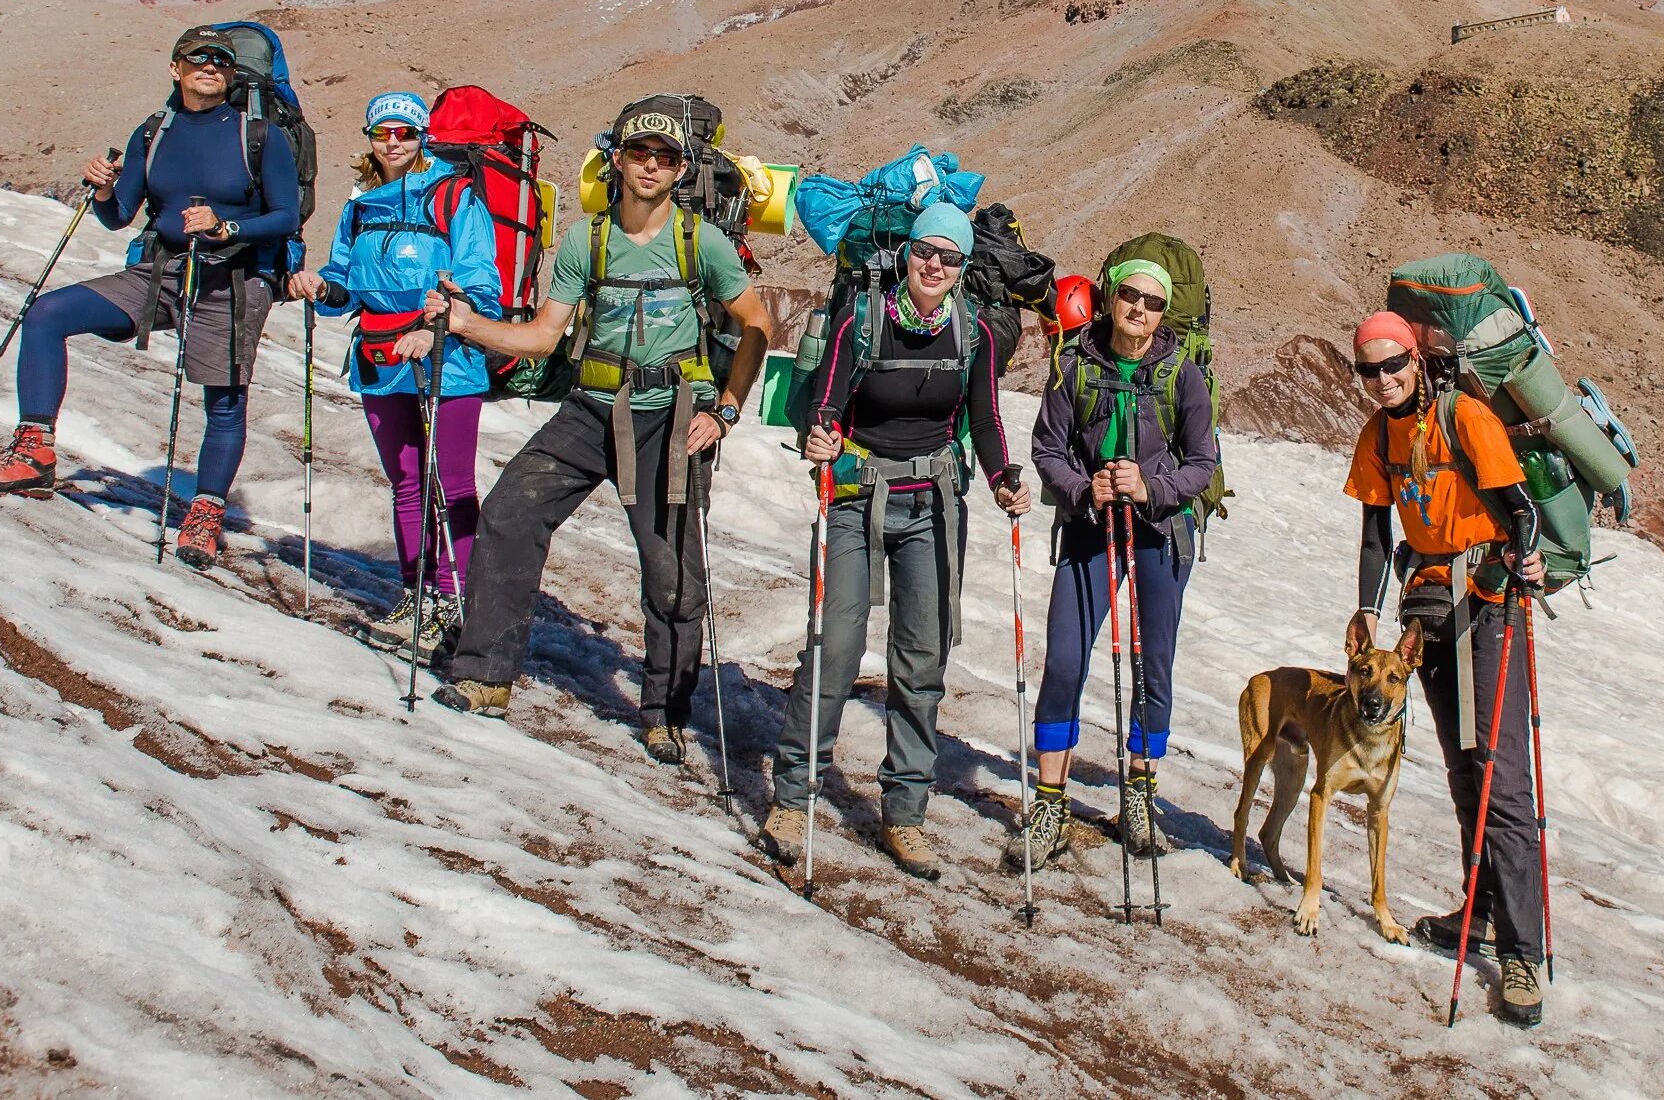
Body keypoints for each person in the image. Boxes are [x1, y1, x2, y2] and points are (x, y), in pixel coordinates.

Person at [423, 100, 772, 763]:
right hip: (591, 409)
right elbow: (542, 336)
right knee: (509, 512)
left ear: (679, 169)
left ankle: (665, 712)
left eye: (665, 157)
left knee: (672, 572)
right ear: (618, 158)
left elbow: (757, 323)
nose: (650, 164)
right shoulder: (589, 240)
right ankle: (483, 675)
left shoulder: (703, 241)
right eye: (640, 152)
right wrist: (467, 324)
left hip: (671, 418)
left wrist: (724, 410)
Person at [757, 203, 1035, 880]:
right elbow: (826, 401)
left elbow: (984, 418)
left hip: (935, 501)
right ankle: (794, 795)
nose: (935, 264)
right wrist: (822, 434)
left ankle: (905, 812)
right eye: (925, 251)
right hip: (856, 492)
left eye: (950, 256)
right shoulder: (863, 315)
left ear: (965, 268)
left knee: (922, 660)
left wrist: (1002, 478)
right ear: (907, 252)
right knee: (837, 646)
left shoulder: (971, 331)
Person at [0, 26, 299, 567]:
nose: (209, 66)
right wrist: (101, 188)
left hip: (230, 280)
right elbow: (119, 215)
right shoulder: (154, 131)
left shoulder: (259, 135)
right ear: (176, 69)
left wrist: (227, 230)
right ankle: (34, 453)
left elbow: (285, 216)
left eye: (221, 60)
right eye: (198, 58)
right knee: (47, 313)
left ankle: (205, 515)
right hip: (161, 271)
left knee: (225, 399)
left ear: (232, 74)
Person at [1344, 310, 1548, 1029]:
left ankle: (1525, 952)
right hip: (1427, 607)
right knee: (1466, 769)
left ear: (1418, 360)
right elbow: (1376, 532)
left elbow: (1518, 507)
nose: (1382, 379)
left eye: (1392, 363)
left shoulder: (1464, 418)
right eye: (1368, 369)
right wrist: (1367, 608)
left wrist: (1523, 555)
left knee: (1502, 774)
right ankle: (1481, 911)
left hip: (1487, 603)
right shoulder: (1379, 435)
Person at [1007, 258, 1220, 872]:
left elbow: (1203, 462)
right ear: (1110, 299)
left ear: (1164, 311)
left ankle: (1140, 794)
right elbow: (1047, 446)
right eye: (1129, 295)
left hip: (1160, 532)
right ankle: (1050, 802)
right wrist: (1083, 488)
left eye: (1153, 303)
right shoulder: (1073, 366)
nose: (1139, 310)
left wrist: (1149, 485)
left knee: (1153, 664)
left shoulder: (1183, 375)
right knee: (1067, 658)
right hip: (1089, 527)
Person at [286, 92, 503, 654]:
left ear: (422, 136)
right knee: (407, 481)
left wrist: (437, 329)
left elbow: (484, 285)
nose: (394, 142)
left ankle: (457, 601)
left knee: (451, 483)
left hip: (445, 357)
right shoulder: (361, 205)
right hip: (380, 359)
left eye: (405, 133)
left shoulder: (457, 197)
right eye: (383, 132)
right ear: (370, 138)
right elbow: (344, 285)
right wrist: (320, 287)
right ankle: (417, 594)